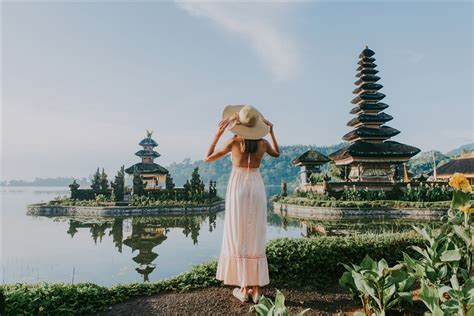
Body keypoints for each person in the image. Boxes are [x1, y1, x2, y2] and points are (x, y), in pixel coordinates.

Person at [204, 105, 280, 303]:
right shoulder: (263, 144)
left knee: (238, 235)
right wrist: (271, 132)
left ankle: (243, 286)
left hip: (238, 187)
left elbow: (207, 158)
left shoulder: (234, 142)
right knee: (256, 234)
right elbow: (277, 154)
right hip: (256, 186)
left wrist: (218, 133)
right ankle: (256, 289)